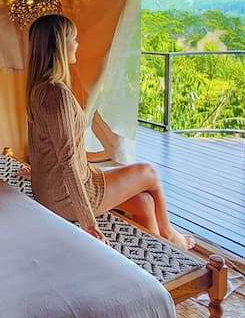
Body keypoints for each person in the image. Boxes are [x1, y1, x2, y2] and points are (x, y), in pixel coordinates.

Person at [25, 13, 195, 250]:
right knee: (149, 172)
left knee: (144, 202)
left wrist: (38, 173)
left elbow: (41, 142)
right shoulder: (57, 93)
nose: (77, 44)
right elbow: (68, 160)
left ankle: (157, 252)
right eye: (73, 39)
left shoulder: (38, 88)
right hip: (64, 197)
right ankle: (170, 235)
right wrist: (89, 222)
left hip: (52, 190)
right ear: (60, 45)